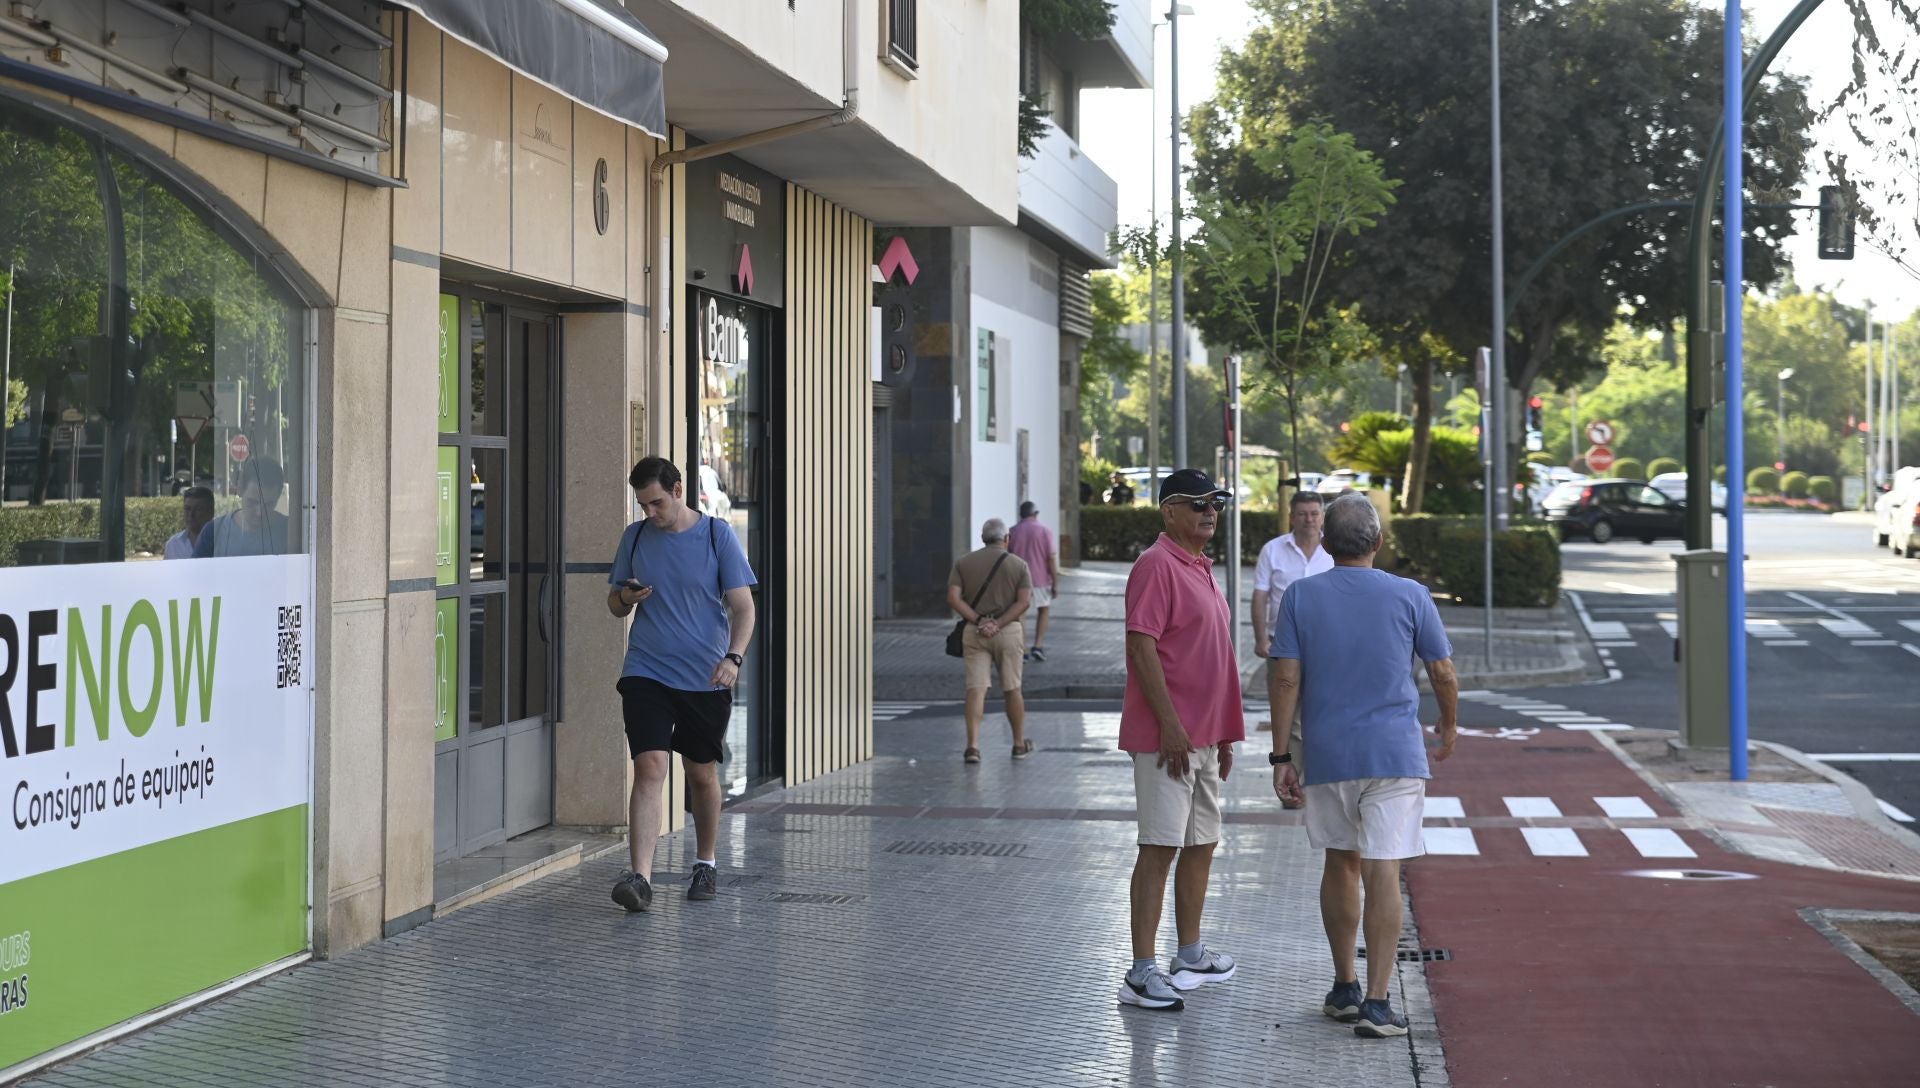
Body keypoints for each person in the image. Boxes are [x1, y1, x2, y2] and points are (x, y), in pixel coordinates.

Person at [1267, 493, 1459, 1039]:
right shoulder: (1411, 595)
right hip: (1395, 753)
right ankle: (1379, 1003)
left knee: (1340, 863)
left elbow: (1284, 679)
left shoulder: (1302, 597)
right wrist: (1447, 726)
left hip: (1329, 754)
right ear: (1378, 542)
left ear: (1324, 544)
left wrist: (1283, 755)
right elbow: (1442, 671)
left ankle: (1345, 986)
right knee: (1384, 870)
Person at [1117, 468, 1244, 1012]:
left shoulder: (1200, 567)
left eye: (1215, 502)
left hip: (1205, 737)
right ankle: (1141, 970)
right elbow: (1142, 647)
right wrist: (1170, 725)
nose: (1208, 511)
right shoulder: (1156, 565)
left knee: (1201, 843)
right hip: (1168, 738)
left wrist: (1224, 735)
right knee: (1159, 847)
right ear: (1169, 511)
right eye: (1196, 504)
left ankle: (1188, 953)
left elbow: (1212, 655)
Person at [606, 456, 757, 912]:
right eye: (642, 505)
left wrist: (733, 658)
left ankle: (705, 862)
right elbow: (615, 605)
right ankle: (641, 879)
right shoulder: (634, 538)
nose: (649, 513)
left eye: (655, 503)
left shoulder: (716, 536)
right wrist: (626, 597)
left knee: (701, 774)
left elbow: (744, 608)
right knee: (650, 766)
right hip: (646, 669)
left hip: (705, 676)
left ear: (677, 490)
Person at [1251, 490, 1334, 806]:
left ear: (1322, 516)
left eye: (1314, 513)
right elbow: (1260, 595)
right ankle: (1293, 786)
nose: (1309, 519)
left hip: (1325, 648)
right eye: (1302, 513)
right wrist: (1261, 638)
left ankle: (1324, 782)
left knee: (1322, 714)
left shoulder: (1332, 551)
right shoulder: (1273, 550)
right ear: (1292, 516)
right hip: (1283, 646)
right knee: (1290, 718)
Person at [945, 518, 1034, 763]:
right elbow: (1024, 601)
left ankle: (972, 746)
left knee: (976, 689)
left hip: (974, 632)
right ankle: (1018, 744)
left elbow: (953, 597)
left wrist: (978, 619)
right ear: (1006, 539)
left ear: (983, 538)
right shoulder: (1018, 565)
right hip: (1008, 632)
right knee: (1012, 688)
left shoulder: (964, 563)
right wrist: (998, 623)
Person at [194, 458, 289, 557]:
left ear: (278, 496)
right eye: (252, 502)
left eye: (269, 504)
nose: (259, 513)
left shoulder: (291, 533)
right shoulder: (212, 533)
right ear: (240, 491)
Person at [1006, 500, 1063, 662]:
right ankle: (1038, 646)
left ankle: (1022, 649)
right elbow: (1051, 558)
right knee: (1043, 610)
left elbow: (1007, 557)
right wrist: (1055, 582)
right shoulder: (1045, 531)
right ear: (1035, 513)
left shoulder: (1012, 531)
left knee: (1020, 614)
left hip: (1017, 580)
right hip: (1040, 579)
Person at [165, 486, 215, 559]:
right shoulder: (173, 544)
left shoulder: (223, 543)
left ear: (211, 512)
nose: (191, 514)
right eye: (187, 509)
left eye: (198, 509)